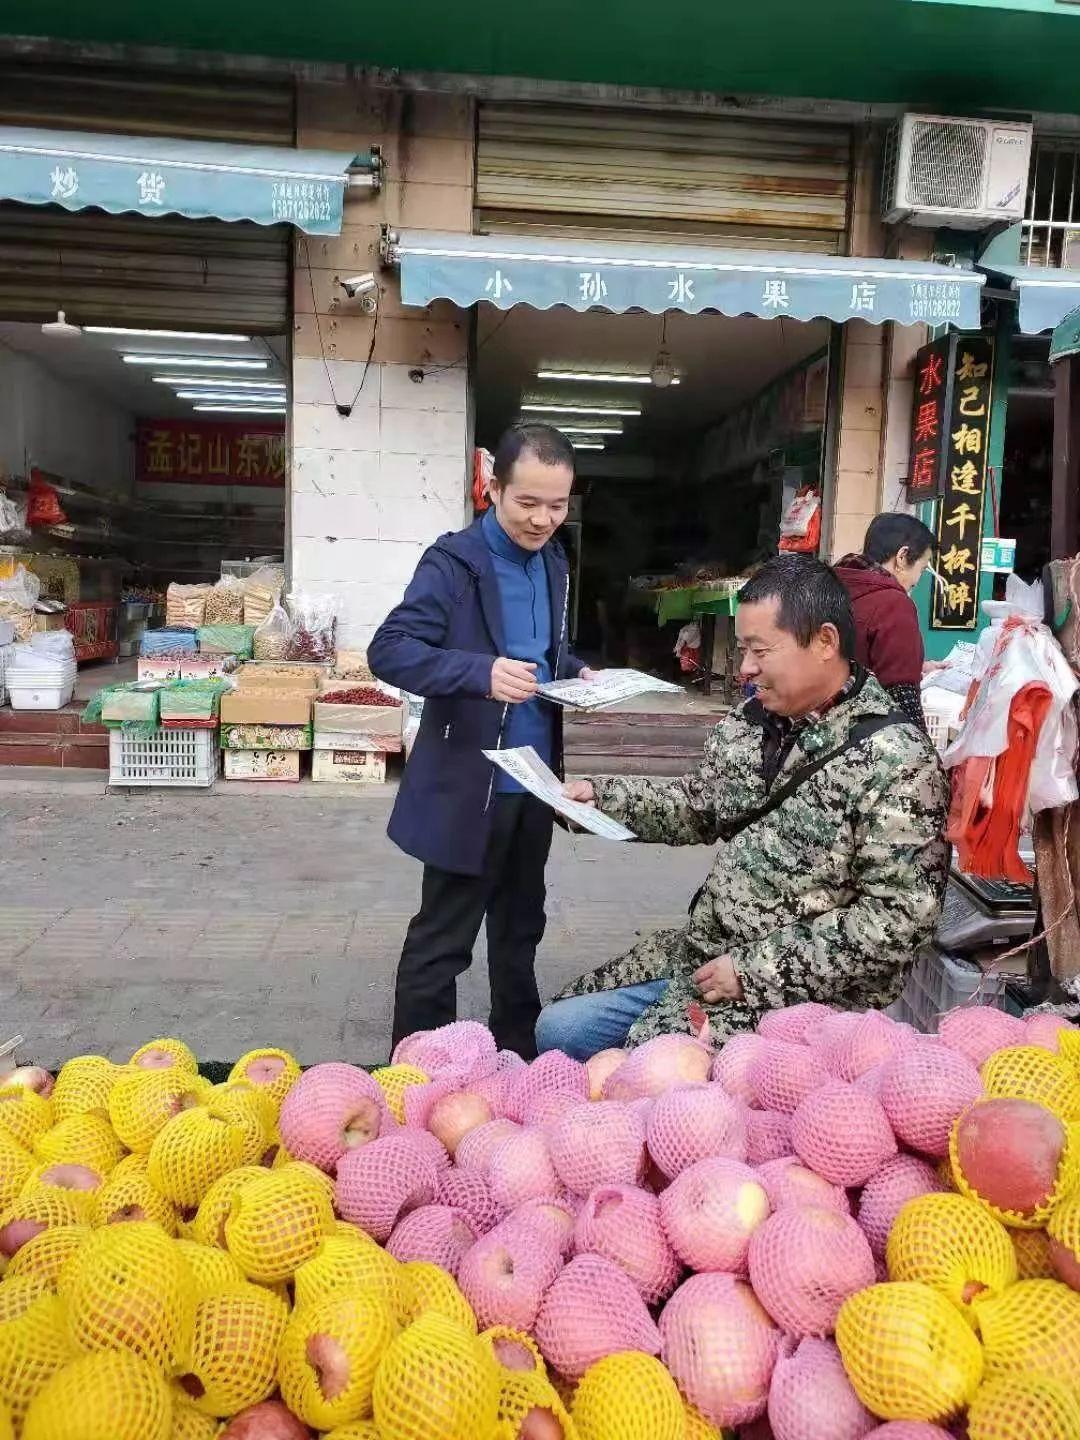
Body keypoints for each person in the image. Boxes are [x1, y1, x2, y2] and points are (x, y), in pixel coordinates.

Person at [536, 553, 948, 1059]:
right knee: (558, 1030)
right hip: (703, 956)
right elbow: (699, 807)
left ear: (824, 642)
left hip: (797, 998)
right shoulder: (755, 719)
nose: (746, 669)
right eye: (742, 649)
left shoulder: (897, 762)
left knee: (648, 1074)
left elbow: (900, 918)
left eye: (759, 650)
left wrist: (755, 971)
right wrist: (600, 798)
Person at [368, 423, 591, 1058]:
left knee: (522, 929)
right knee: (445, 937)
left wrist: (578, 673)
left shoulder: (552, 561)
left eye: (558, 504)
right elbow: (391, 651)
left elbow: (542, 651)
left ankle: (516, 1057)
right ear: (493, 488)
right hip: (472, 786)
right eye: (528, 503)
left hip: (534, 783)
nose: (544, 519)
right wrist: (477, 674)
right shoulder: (454, 562)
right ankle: (417, 1068)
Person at [834, 513, 936, 730]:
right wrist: (924, 753)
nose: (917, 580)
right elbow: (902, 697)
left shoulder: (835, 584)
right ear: (902, 556)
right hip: (864, 734)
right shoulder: (894, 605)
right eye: (922, 568)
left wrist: (918, 667)